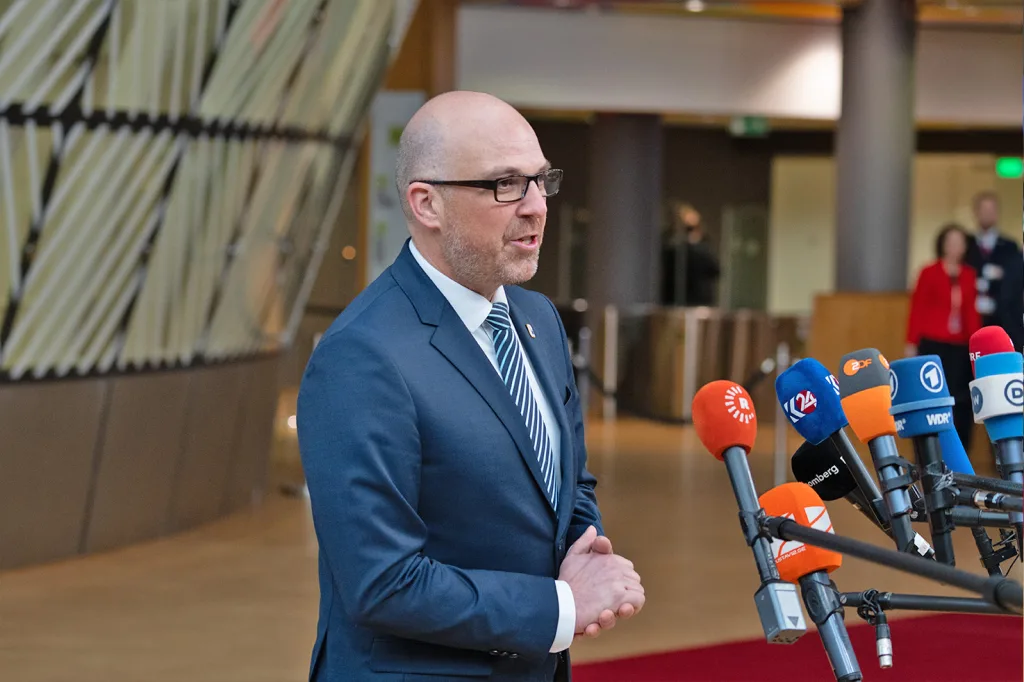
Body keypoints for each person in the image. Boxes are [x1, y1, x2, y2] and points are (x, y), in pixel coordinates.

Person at [296, 91, 644, 682]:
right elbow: (382, 581)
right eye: (505, 184)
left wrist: (587, 552)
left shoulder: (538, 320)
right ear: (427, 203)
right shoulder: (362, 356)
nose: (536, 207)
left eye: (540, 180)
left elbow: (568, 480)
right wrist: (561, 607)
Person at [906, 223, 982, 451]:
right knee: (930, 398)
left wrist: (977, 346)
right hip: (933, 344)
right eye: (950, 242)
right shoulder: (928, 272)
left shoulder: (969, 274)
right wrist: (911, 342)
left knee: (960, 401)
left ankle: (959, 451)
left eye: (959, 242)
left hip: (960, 346)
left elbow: (972, 313)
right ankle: (929, 451)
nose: (954, 247)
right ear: (942, 244)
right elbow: (917, 308)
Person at [964, 191, 1024, 351]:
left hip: (1003, 320)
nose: (987, 214)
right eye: (983, 209)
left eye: (991, 210)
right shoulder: (966, 245)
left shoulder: (1010, 247)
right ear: (975, 212)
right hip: (970, 321)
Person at [660, 204, 720, 306]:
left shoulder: (704, 246)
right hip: (675, 301)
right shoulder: (672, 247)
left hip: (700, 301)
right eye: (689, 228)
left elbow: (715, 270)